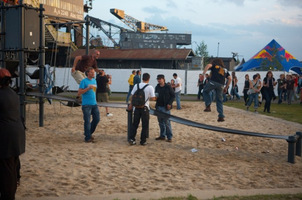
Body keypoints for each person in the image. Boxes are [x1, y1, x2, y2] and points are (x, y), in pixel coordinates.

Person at [0, 68, 26, 200]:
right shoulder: (12, 93)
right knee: (13, 166)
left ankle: (8, 196)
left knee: (7, 170)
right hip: (17, 134)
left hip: (6, 137)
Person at [128, 73, 156, 146]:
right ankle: (143, 141)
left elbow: (132, 96)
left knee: (135, 124)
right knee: (145, 125)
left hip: (136, 108)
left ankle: (132, 138)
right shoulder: (150, 87)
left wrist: (131, 104)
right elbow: (153, 98)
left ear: (142, 78)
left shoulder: (136, 85)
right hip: (145, 107)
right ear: (148, 79)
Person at [78, 67, 100, 143]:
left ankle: (88, 133)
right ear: (88, 73)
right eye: (91, 72)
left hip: (94, 103)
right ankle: (87, 138)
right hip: (86, 104)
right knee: (87, 121)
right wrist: (87, 88)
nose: (93, 73)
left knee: (97, 119)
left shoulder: (94, 80)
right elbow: (79, 92)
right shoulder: (84, 81)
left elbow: (94, 92)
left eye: (93, 72)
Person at [154, 74, 175, 142]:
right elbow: (156, 95)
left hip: (165, 107)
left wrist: (169, 103)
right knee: (160, 122)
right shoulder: (157, 87)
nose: (159, 80)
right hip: (158, 106)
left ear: (163, 79)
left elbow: (173, 96)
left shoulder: (168, 87)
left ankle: (169, 137)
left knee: (167, 122)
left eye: (160, 79)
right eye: (158, 79)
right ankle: (162, 135)